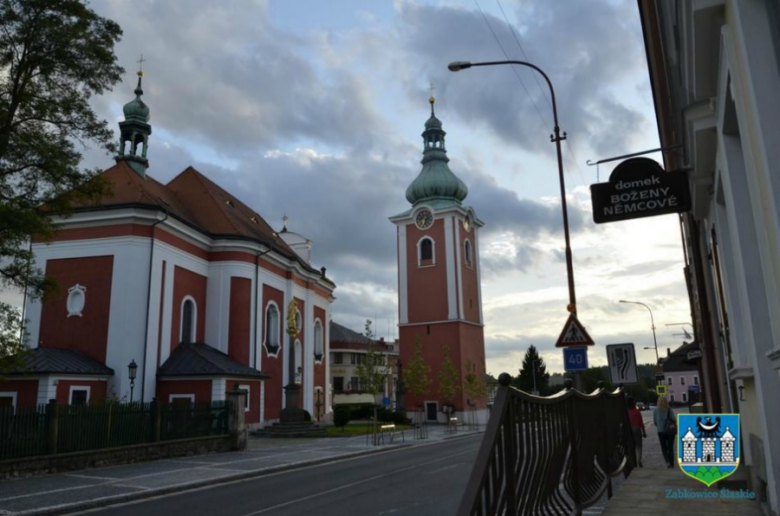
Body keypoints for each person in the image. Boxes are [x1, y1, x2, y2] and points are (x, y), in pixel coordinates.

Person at [653, 396, 676, 468]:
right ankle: (672, 463)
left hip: (660, 431)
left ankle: (667, 462)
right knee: (670, 447)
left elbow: (655, 422)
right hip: (670, 431)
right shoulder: (669, 409)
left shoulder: (655, 410)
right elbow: (674, 420)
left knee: (663, 448)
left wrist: (660, 425)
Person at [626, 396, 646, 467]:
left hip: (628, 430)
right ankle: (638, 460)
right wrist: (644, 432)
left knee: (631, 446)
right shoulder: (637, 412)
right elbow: (641, 423)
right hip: (637, 429)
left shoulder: (626, 412)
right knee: (638, 446)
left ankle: (632, 461)